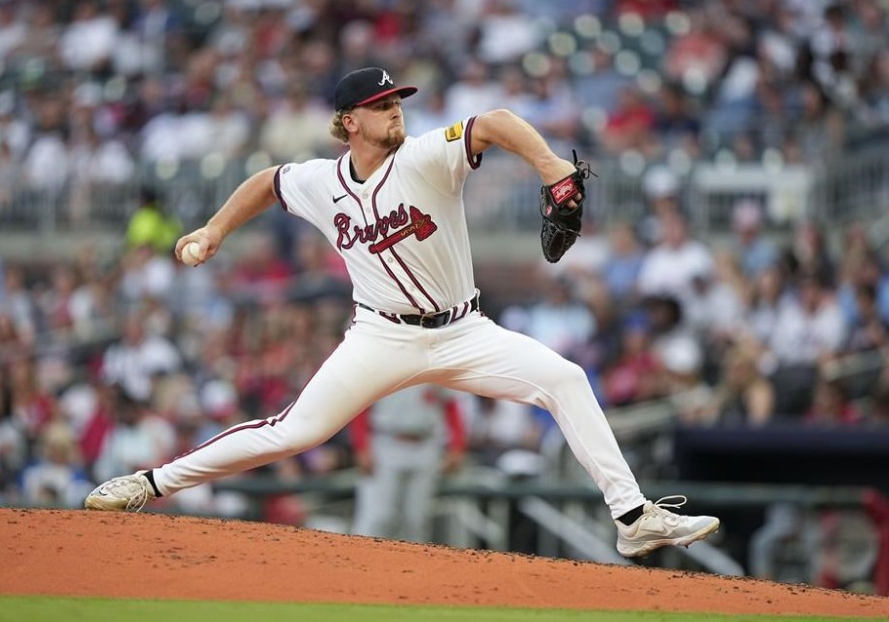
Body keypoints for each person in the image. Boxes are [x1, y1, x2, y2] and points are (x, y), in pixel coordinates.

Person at [85, 66, 720, 558]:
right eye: (383, 105)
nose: (396, 111)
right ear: (349, 122)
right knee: (293, 432)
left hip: (464, 332)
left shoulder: (426, 156)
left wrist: (553, 169)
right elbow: (268, 181)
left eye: (398, 102)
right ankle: (151, 482)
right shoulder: (322, 181)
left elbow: (493, 122)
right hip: (379, 338)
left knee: (566, 380)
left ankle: (634, 520)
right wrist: (214, 229)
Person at [350, 384, 465, 543]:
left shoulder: (434, 363)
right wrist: (362, 447)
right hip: (386, 441)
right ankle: (363, 563)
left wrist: (456, 446)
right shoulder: (381, 363)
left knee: (417, 519)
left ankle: (410, 567)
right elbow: (360, 406)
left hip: (425, 443)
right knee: (379, 516)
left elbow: (451, 404)